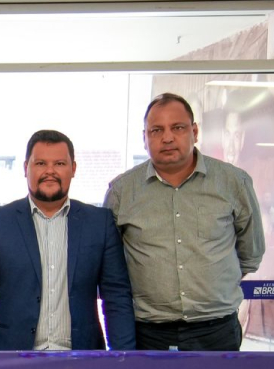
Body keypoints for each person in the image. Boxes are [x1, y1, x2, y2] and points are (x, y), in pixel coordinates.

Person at [104, 93, 265, 351]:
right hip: (149, 334)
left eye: (177, 128)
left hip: (217, 332)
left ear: (195, 131)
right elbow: (111, 266)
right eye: (156, 130)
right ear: (144, 138)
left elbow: (250, 254)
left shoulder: (234, 183)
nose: (167, 137)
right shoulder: (122, 192)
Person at [0, 129, 134, 351]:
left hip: (82, 360)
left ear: (73, 169)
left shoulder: (99, 223)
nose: (50, 171)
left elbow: (116, 298)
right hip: (13, 360)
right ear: (26, 168)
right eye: (41, 163)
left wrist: (123, 361)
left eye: (60, 164)